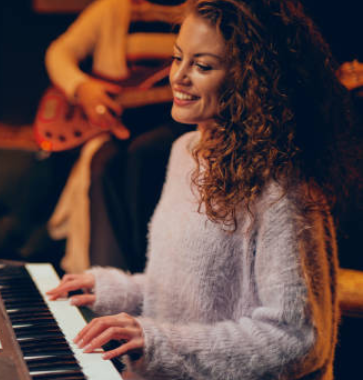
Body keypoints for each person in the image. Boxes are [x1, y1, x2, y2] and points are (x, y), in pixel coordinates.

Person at [47, 0, 357, 378]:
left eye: (203, 66)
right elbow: (189, 293)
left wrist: (156, 341)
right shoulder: (186, 152)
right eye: (178, 58)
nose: (178, 76)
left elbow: (297, 340)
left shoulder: (281, 186)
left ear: (251, 79)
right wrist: (110, 289)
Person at [45, 0, 189, 274]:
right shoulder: (113, 8)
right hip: (120, 124)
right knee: (102, 163)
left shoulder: (203, 10)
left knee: (145, 155)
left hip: (176, 126)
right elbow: (59, 52)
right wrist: (82, 87)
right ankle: (105, 280)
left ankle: (143, 276)